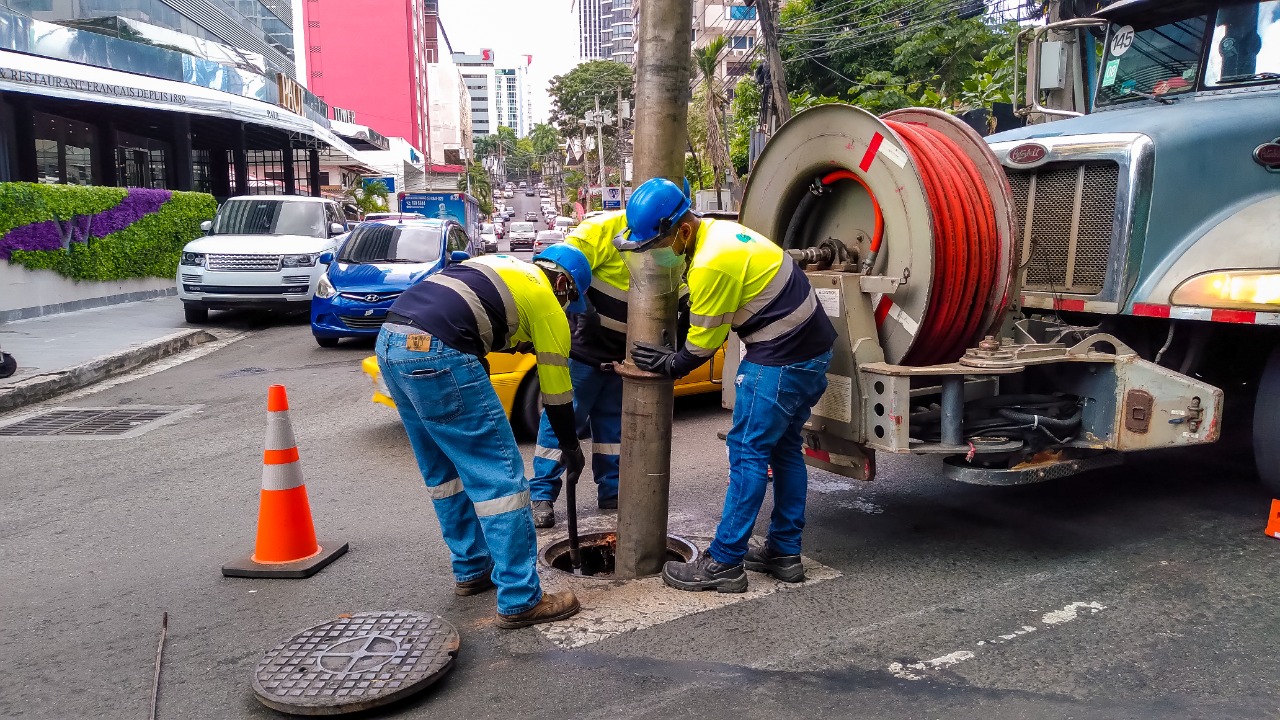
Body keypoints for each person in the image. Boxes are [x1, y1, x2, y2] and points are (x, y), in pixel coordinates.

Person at [616, 177, 837, 593]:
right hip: (810, 354)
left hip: (780, 362)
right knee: (785, 449)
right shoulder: (716, 232)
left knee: (748, 453)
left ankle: (725, 562)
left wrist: (671, 364)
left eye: (659, 244)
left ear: (682, 229)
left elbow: (702, 344)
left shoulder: (711, 263)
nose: (658, 254)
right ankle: (785, 553)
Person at [375, 249, 592, 627]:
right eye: (570, 301)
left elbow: (472, 319)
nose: (567, 310)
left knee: (443, 472)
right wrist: (570, 449)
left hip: (391, 343)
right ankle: (521, 597)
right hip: (440, 350)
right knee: (501, 480)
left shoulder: (502, 266)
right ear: (563, 283)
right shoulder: (547, 303)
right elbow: (557, 398)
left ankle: (472, 567)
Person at [527, 213, 630, 528]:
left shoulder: (666, 241)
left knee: (612, 428)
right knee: (562, 422)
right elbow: (566, 270)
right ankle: (542, 495)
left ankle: (612, 491)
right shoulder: (600, 231)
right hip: (585, 352)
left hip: (621, 355)